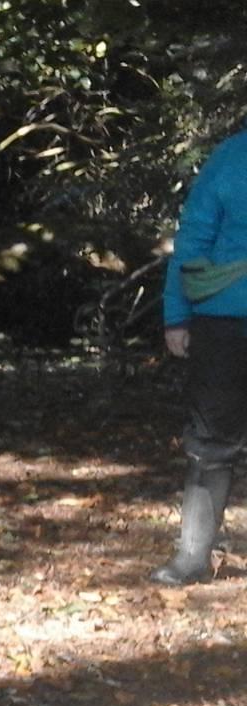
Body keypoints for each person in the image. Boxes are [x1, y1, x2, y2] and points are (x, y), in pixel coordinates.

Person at [155, 128, 247, 585]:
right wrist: (176, 316)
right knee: (209, 442)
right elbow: (192, 238)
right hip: (223, 322)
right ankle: (192, 558)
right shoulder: (229, 158)